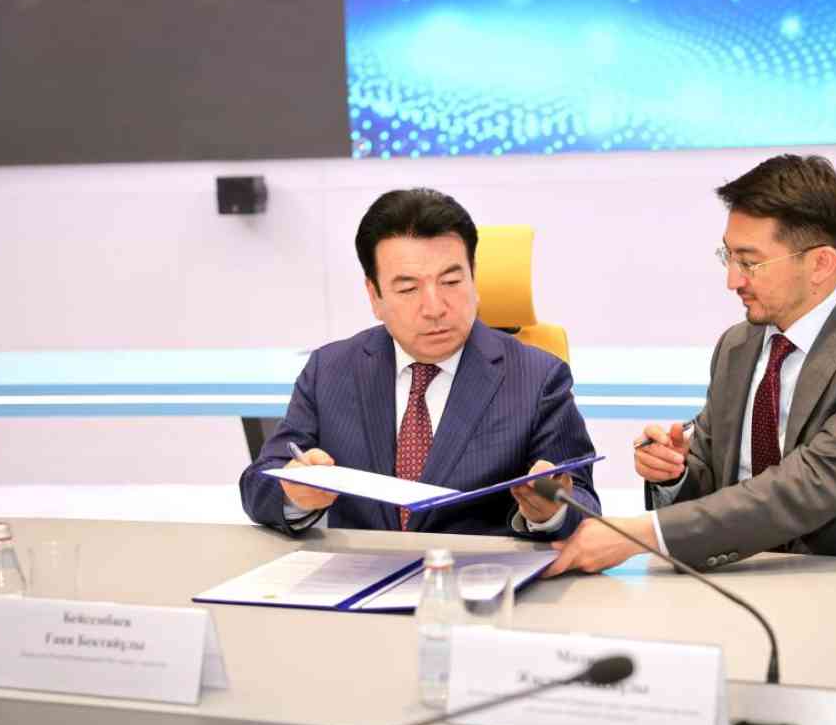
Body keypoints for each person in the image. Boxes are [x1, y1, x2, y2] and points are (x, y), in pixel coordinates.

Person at [545, 154, 836, 576]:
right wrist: (674, 474)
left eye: (750, 262)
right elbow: (715, 494)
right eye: (727, 257)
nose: (732, 280)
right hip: (749, 581)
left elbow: (804, 488)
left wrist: (641, 534)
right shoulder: (738, 345)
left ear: (821, 263)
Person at [240, 187, 599, 538]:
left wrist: (551, 510)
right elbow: (259, 483)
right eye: (408, 289)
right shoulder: (330, 370)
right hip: (361, 571)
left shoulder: (537, 377)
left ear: (474, 278)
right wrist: (292, 492)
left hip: (478, 573)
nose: (435, 308)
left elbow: (581, 498)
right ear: (374, 296)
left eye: (451, 281)